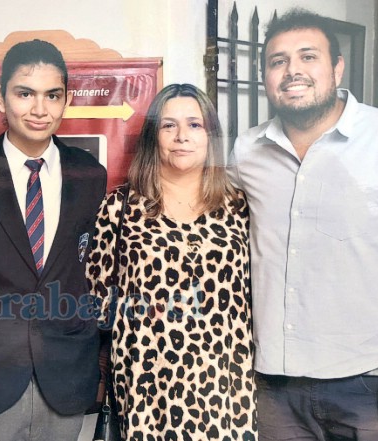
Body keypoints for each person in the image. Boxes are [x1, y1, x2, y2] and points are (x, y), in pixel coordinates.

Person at [229, 8, 378, 440]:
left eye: (307, 57)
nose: (292, 71)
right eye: (278, 61)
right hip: (273, 386)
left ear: (337, 66)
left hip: (366, 384)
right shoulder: (246, 151)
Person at [0, 39, 107, 441]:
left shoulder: (89, 175)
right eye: (25, 93)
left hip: (66, 380)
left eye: (53, 95)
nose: (39, 109)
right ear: (0, 96)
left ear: (66, 100)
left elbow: (94, 273)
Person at [87, 83, 256, 440]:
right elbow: (96, 301)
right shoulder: (119, 207)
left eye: (195, 125)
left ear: (211, 135)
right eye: (169, 126)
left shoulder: (238, 206)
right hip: (146, 386)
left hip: (226, 384)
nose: (182, 136)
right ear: (154, 136)